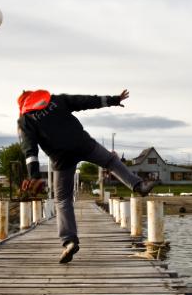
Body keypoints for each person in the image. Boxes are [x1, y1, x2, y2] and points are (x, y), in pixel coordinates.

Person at [17, 89, 156, 263]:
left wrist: (35, 176)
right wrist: (113, 100)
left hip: (61, 158)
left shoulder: (25, 120)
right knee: (111, 161)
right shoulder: (56, 101)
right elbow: (85, 101)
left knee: (63, 200)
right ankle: (138, 186)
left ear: (23, 105)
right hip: (82, 143)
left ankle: (69, 241)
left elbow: (30, 150)